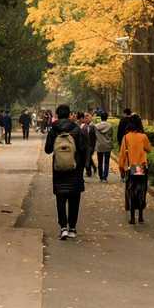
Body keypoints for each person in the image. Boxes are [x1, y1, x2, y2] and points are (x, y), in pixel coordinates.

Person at [44, 103, 87, 240]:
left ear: (57, 115)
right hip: (75, 169)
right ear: (69, 115)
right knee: (74, 199)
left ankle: (63, 227)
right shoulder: (76, 129)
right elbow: (83, 148)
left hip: (59, 169)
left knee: (61, 199)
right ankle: (72, 228)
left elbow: (48, 149)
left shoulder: (53, 129)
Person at [118, 114, 151, 224]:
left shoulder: (126, 137)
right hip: (141, 167)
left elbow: (122, 154)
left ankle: (132, 218)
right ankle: (141, 216)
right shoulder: (143, 136)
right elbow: (149, 149)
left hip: (130, 168)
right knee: (142, 191)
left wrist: (121, 169)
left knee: (131, 191)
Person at [94, 111, 113, 181]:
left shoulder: (96, 126)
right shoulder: (110, 126)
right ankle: (105, 177)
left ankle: (100, 176)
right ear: (107, 118)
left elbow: (95, 136)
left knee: (100, 161)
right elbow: (111, 135)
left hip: (99, 145)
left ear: (100, 118)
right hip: (107, 145)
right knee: (106, 162)